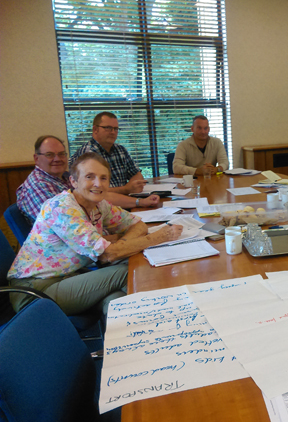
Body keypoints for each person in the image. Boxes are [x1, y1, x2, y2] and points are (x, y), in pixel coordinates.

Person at [8, 152, 183, 315]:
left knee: (115, 299)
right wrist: (158, 237)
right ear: (74, 181)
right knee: (129, 271)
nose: (98, 184)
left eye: (103, 178)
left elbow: (138, 225)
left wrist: (121, 245)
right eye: (89, 177)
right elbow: (108, 255)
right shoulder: (61, 208)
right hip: (35, 291)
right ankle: (170, 311)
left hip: (72, 276)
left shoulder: (99, 204)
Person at [17, 135, 159, 224]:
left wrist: (140, 202)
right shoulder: (39, 186)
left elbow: (103, 199)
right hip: (67, 257)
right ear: (36, 158)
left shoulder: (64, 177)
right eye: (49, 155)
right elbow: (72, 228)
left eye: (61, 154)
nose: (57, 159)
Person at [69, 112, 147, 194]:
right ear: (95, 130)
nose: (113, 132)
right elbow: (94, 190)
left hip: (125, 199)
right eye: (108, 128)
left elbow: (137, 175)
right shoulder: (89, 153)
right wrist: (126, 189)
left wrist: (131, 187)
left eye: (115, 129)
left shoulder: (120, 150)